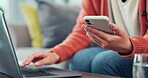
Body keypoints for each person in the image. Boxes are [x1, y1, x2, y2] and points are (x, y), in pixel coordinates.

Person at [20, 0, 148, 78]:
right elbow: (82, 31)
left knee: (104, 61)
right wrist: (56, 53)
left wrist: (131, 46)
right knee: (80, 58)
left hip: (143, 54)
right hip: (119, 50)